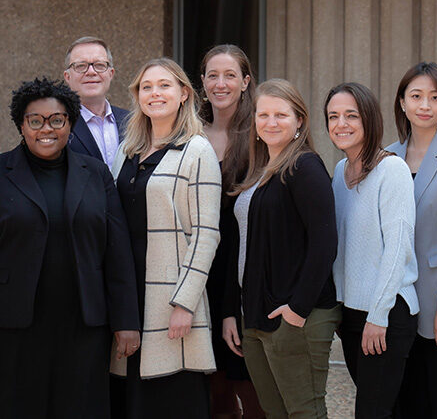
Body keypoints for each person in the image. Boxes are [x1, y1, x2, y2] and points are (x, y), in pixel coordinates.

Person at [0, 77, 140, 419]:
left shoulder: (96, 174)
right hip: (10, 329)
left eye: (57, 120)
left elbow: (117, 251)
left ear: (70, 123)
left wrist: (126, 320)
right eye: (35, 120)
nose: (45, 129)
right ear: (22, 125)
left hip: (83, 326)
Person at [110, 57, 221, 419]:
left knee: (173, 398)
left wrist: (185, 303)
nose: (154, 93)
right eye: (146, 87)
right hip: (130, 294)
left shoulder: (197, 150)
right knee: (132, 400)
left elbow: (206, 234)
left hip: (170, 298)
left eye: (164, 85)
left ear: (184, 93)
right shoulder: (125, 152)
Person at [223, 78, 341, 419]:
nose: (271, 123)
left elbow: (324, 243)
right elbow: (241, 245)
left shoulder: (304, 167)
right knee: (275, 413)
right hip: (256, 315)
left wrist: (298, 310)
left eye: (281, 115)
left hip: (294, 317)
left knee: (305, 412)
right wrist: (234, 310)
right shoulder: (258, 172)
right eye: (264, 115)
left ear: (299, 121)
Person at [325, 82, 419, 418]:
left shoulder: (391, 170)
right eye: (333, 116)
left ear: (369, 119)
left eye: (351, 115)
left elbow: (397, 248)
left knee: (371, 412)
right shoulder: (339, 172)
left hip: (387, 314)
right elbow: (342, 249)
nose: (341, 124)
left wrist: (378, 316)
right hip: (351, 315)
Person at [387, 62, 437, 419]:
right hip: (398, 299)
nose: (425, 105)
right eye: (416, 96)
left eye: (435, 98)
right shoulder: (387, 157)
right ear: (402, 102)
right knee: (409, 399)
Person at [199, 44, 264, 419]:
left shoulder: (261, 131)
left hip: (243, 273)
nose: (220, 83)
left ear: (245, 81)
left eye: (229, 75)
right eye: (212, 75)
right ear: (203, 82)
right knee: (213, 390)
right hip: (202, 273)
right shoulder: (189, 133)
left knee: (250, 389)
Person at [63, 36, 129, 167]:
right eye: (81, 66)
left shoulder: (132, 121)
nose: (91, 72)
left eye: (100, 65)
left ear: (111, 74)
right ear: (67, 77)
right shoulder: (58, 124)